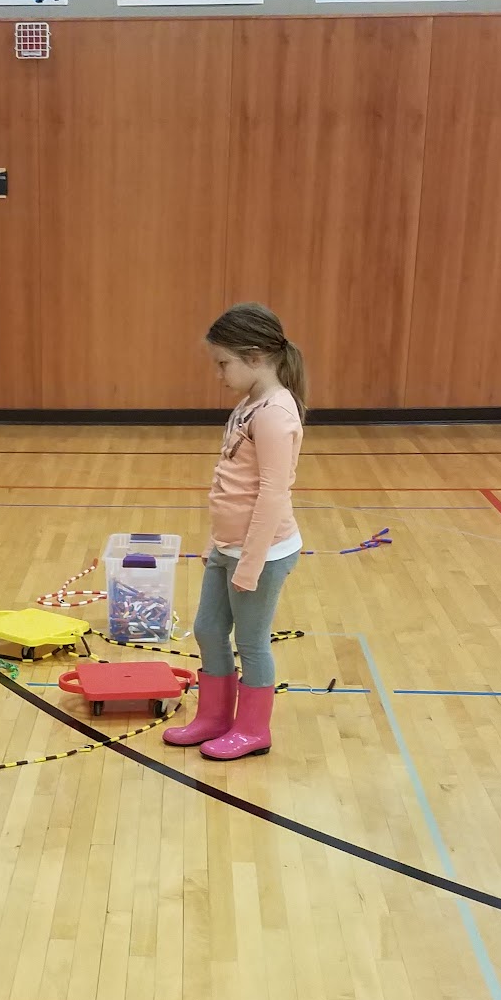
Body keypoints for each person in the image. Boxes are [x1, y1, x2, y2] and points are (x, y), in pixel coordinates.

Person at [164, 303, 306, 761]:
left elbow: (272, 494)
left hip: (262, 553)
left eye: (224, 363)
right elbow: (232, 483)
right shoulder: (249, 404)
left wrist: (249, 563)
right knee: (208, 629)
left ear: (256, 356)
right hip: (231, 546)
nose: (219, 374)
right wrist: (217, 542)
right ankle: (214, 718)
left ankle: (252, 730)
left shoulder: (275, 413)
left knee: (251, 642)